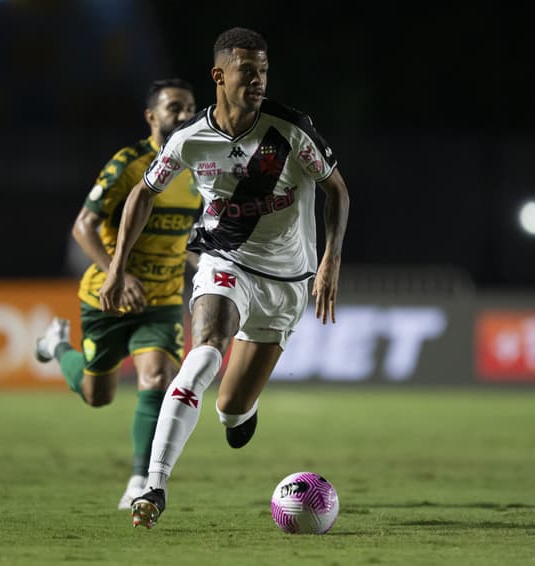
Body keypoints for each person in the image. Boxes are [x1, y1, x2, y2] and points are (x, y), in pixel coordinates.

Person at [98, 26, 350, 529]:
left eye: (263, 71)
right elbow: (143, 193)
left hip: (286, 282)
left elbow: (337, 192)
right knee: (205, 348)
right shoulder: (189, 139)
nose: (258, 80)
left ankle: (237, 413)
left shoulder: (291, 130)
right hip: (224, 261)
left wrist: (330, 262)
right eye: (247, 71)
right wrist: (118, 265)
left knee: (233, 411)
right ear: (219, 74)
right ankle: (155, 484)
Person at [34, 78, 202, 511]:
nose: (185, 117)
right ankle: (56, 346)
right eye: (175, 109)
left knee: (158, 378)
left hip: (161, 300)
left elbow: (189, 239)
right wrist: (118, 273)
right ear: (152, 117)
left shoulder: (199, 169)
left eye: (190, 109)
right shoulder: (128, 164)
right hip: (106, 296)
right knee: (97, 395)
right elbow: (83, 226)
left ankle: (140, 481)